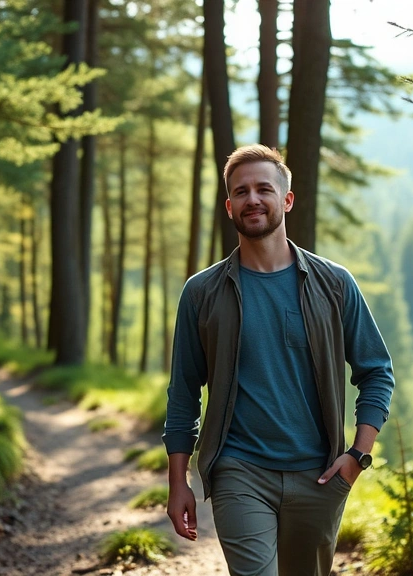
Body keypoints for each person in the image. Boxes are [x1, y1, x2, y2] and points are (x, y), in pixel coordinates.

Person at [162, 144, 394, 576]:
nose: (253, 199)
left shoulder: (334, 284)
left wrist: (357, 456)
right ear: (229, 206)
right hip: (238, 471)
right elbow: (183, 393)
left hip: (320, 476)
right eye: (241, 191)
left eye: (264, 189)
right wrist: (179, 483)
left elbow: (376, 370)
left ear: (286, 200)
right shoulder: (202, 293)